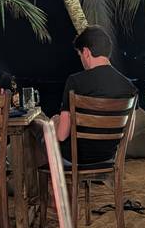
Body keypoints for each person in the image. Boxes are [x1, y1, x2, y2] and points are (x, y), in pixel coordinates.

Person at [51, 25, 137, 165]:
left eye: (80, 55)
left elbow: (62, 135)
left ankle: (56, 186)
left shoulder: (75, 81)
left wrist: (55, 122)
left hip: (75, 160)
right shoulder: (129, 86)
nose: (82, 60)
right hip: (108, 159)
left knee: (42, 137)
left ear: (86, 52)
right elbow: (129, 136)